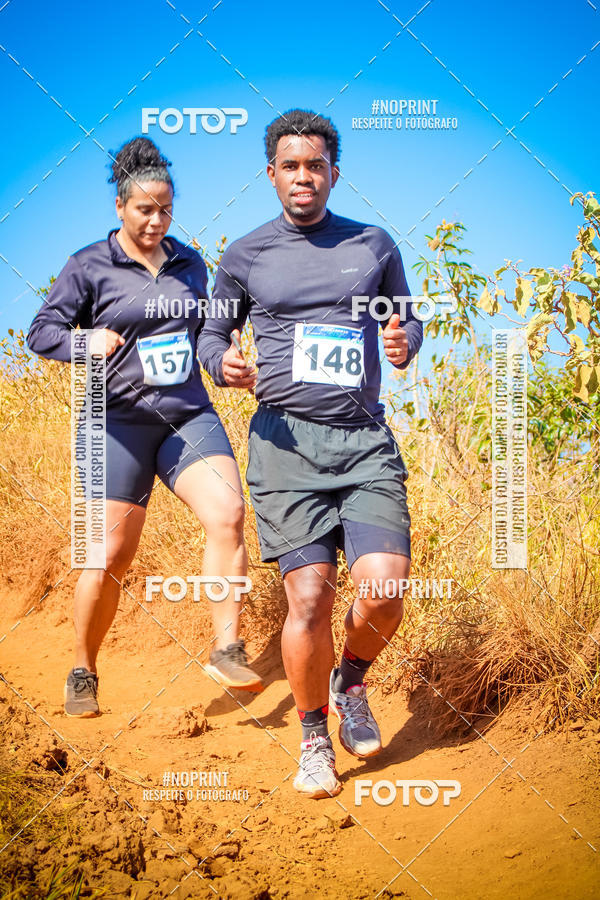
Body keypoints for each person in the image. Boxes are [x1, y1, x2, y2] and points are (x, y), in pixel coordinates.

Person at [198, 109, 423, 798]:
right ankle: (315, 738)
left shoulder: (372, 244)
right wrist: (222, 363)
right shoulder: (246, 255)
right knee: (309, 598)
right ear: (271, 174)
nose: (304, 176)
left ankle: (349, 680)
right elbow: (211, 335)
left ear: (334, 173)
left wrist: (403, 340)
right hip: (285, 447)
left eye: (316, 165)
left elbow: (404, 316)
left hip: (364, 442)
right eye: (291, 165)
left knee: (385, 587)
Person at [27, 136, 262, 718]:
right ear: (120, 207)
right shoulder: (88, 265)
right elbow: (41, 333)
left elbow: (206, 337)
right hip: (115, 425)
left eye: (166, 210)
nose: (157, 221)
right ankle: (83, 668)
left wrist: (225, 366)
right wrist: (86, 341)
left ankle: (227, 648)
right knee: (109, 556)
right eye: (144, 210)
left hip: (186, 415)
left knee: (229, 512)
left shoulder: (190, 264)